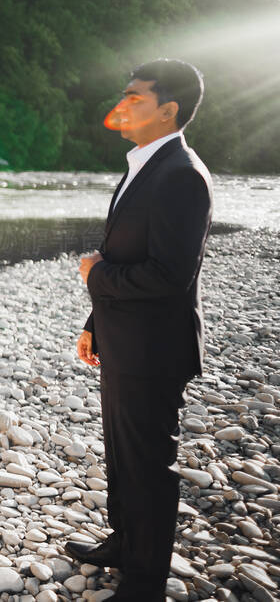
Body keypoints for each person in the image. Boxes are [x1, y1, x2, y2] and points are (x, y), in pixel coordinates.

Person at [69, 59, 212, 599]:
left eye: (135, 96)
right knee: (122, 451)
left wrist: (96, 275)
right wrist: (95, 324)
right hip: (124, 339)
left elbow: (170, 276)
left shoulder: (181, 175)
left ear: (168, 110)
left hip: (155, 348)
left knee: (150, 461)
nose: (122, 104)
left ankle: (146, 578)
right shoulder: (143, 164)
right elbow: (124, 249)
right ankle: (124, 542)